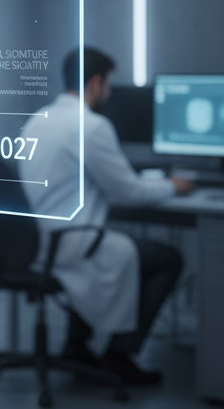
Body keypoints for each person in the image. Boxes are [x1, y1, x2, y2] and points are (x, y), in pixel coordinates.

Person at [20, 47, 191, 386]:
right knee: (167, 259)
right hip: (69, 242)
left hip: (34, 242)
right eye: (108, 84)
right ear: (96, 82)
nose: (109, 93)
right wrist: (174, 185)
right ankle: (119, 355)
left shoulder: (40, 118)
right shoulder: (92, 126)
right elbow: (129, 192)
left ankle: (77, 344)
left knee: (113, 250)